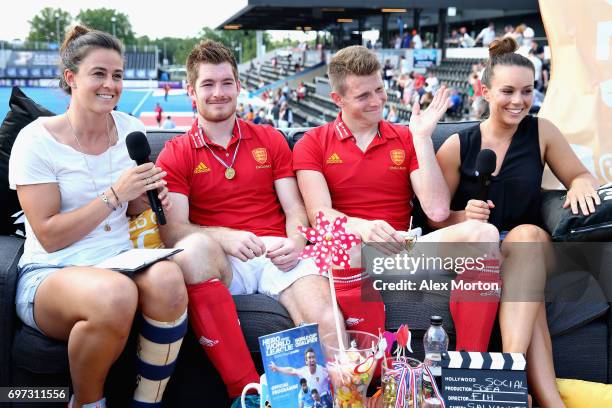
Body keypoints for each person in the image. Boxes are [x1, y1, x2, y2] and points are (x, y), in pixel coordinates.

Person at [8, 25, 188, 408]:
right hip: (53, 270)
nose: (111, 84)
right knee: (114, 293)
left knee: (170, 279)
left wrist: (148, 202)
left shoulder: (130, 129)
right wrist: (114, 195)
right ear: (71, 78)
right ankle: (87, 403)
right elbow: (49, 234)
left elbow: (133, 209)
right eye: (99, 74)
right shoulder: (36, 140)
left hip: (119, 259)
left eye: (118, 75)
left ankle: (146, 401)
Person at [155, 40, 341, 408]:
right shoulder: (175, 153)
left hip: (275, 251)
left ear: (239, 86)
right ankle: (245, 392)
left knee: (324, 314)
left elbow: (295, 209)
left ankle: (344, 398)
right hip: (222, 261)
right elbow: (173, 230)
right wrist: (226, 237)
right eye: (208, 84)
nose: (219, 93)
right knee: (191, 251)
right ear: (191, 91)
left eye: (227, 82)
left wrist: (296, 240)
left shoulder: (270, 139)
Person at [293, 45, 502, 351]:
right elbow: (320, 216)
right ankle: (372, 370)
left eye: (380, 89)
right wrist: (363, 227)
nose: (377, 101)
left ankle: (467, 369)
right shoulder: (313, 142)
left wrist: (421, 139)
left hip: (402, 249)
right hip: (351, 255)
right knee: (347, 246)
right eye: (364, 95)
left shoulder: (404, 137)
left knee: (484, 233)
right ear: (337, 99)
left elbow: (437, 209)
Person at [433, 37, 600, 407]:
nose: (518, 101)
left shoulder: (542, 132)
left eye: (527, 91)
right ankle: (541, 398)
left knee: (524, 239)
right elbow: (437, 219)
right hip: (483, 251)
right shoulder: (457, 145)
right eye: (507, 91)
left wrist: (581, 185)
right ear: (485, 91)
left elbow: (580, 176)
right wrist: (464, 215)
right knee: (529, 295)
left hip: (530, 242)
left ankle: (505, 374)